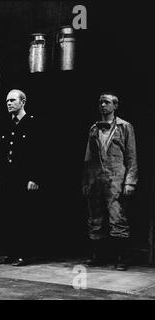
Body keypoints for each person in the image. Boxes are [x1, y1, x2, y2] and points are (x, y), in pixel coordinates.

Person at [81, 92, 138, 271]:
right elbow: (87, 159)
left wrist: (130, 182)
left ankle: (121, 257)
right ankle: (98, 255)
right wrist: (85, 181)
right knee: (95, 218)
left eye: (106, 102)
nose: (103, 106)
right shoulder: (94, 128)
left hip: (116, 179)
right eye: (100, 103)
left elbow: (132, 157)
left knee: (117, 217)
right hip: (95, 179)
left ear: (115, 105)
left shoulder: (125, 127)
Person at [0, 89, 42, 267]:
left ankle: (23, 253)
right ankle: (10, 252)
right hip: (7, 177)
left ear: (23, 102)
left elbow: (39, 153)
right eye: (7, 101)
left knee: (23, 216)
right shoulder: (6, 124)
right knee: (7, 215)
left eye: (12, 100)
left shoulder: (33, 123)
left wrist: (35, 177)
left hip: (24, 178)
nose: (9, 103)